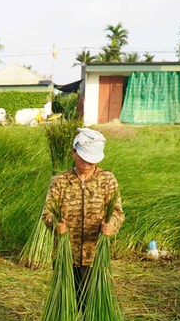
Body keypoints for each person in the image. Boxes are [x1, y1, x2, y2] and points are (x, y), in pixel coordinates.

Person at [41, 127, 124, 306]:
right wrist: (56, 225)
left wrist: (112, 225)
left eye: (91, 159)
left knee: (93, 305)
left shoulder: (107, 180)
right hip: (65, 255)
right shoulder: (60, 181)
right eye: (83, 157)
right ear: (73, 152)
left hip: (94, 256)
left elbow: (117, 212)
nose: (86, 163)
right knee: (65, 304)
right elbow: (46, 213)